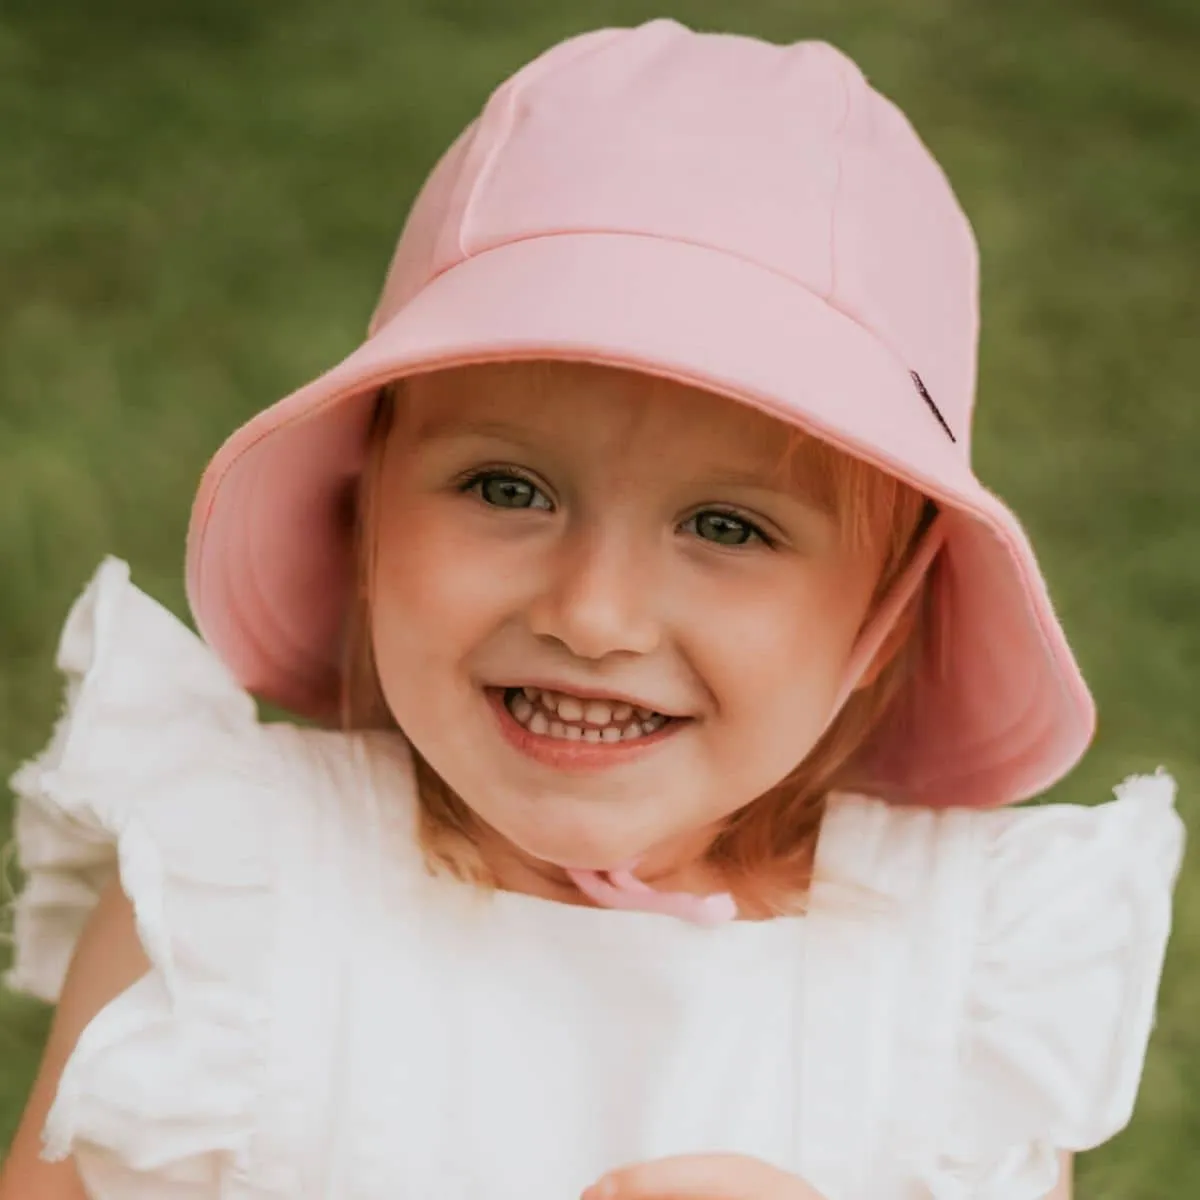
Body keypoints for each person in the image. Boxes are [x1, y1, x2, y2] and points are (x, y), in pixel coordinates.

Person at [0, 19, 1184, 1200]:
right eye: (505, 488)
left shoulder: (953, 991)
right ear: (365, 520)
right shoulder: (231, 887)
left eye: (729, 526)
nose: (595, 614)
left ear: (884, 614)